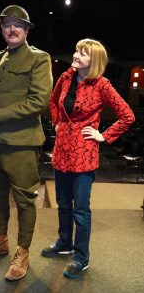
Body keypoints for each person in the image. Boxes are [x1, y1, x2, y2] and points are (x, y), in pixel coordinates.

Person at [41, 38, 135, 278]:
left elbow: (127, 115)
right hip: (62, 152)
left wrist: (103, 136)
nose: (75, 55)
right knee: (62, 204)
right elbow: (53, 102)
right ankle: (64, 243)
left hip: (84, 155)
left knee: (80, 210)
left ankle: (81, 257)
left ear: (93, 62)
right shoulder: (65, 77)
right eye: (76, 50)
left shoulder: (102, 85)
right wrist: (57, 121)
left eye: (82, 53)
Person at [0, 5, 53, 281]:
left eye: (18, 24)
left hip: (22, 142)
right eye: (7, 24)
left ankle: (23, 251)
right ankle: (1, 239)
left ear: (27, 30)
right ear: (2, 28)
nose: (12, 29)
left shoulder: (39, 59)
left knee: (24, 200)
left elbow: (39, 101)